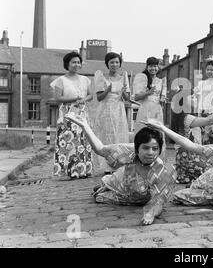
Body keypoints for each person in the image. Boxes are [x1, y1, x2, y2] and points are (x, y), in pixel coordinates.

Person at [65, 113, 176, 226]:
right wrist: (85, 126)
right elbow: (101, 149)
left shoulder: (161, 169)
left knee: (100, 197)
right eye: (146, 148)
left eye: (155, 148)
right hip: (124, 185)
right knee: (99, 196)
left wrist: (151, 214)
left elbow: (159, 202)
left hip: (141, 197)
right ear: (137, 148)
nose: (150, 153)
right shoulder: (129, 152)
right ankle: (107, 184)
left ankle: (106, 186)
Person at [173, 94, 213, 184]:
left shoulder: (185, 117)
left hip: (186, 156)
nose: (195, 99)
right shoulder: (187, 118)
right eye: (192, 97)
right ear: (184, 104)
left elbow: (209, 119)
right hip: (189, 156)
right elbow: (209, 121)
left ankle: (188, 176)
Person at [50, 51, 93, 179]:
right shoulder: (60, 80)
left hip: (82, 112)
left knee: (83, 140)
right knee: (68, 140)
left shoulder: (85, 80)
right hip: (67, 113)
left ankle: (83, 170)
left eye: (78, 62)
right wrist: (73, 98)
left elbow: (90, 95)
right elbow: (57, 98)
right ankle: (69, 171)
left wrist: (83, 100)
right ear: (67, 64)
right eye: (73, 62)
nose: (76, 64)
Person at [93, 52, 130, 174]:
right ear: (107, 64)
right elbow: (99, 98)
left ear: (120, 64)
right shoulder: (102, 77)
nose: (114, 64)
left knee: (119, 136)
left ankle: (119, 164)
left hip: (118, 110)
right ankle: (107, 165)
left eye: (117, 62)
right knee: (107, 137)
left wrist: (124, 92)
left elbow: (127, 99)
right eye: (112, 62)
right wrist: (107, 89)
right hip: (106, 110)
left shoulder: (123, 77)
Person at [133, 57, 167, 134]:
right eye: (151, 66)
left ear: (158, 67)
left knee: (156, 133)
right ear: (147, 67)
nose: (153, 68)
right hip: (145, 110)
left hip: (157, 111)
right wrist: (148, 92)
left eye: (155, 66)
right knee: (145, 133)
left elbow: (161, 98)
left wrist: (163, 100)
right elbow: (136, 97)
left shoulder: (161, 81)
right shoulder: (143, 79)